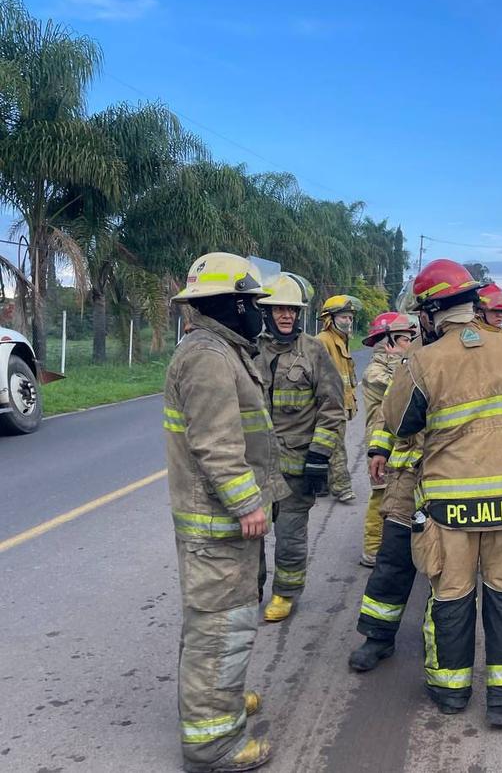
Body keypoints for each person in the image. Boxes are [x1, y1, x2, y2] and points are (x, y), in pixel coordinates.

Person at [382, 258, 502, 726]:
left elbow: (399, 423)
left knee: (451, 596)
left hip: (449, 509)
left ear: (430, 312)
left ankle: (450, 692)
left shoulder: (423, 361)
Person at [164, 252, 280, 772]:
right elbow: (215, 443)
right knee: (219, 628)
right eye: (253, 302)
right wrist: (247, 502)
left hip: (221, 523)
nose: (259, 311)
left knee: (221, 623)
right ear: (234, 304)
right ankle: (213, 743)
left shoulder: (221, 349)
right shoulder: (209, 357)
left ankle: (220, 703)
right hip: (218, 523)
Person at [255, 273, 346, 623]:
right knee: (249, 535)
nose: (286, 315)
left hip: (296, 467)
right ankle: (250, 591)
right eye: (279, 309)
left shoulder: (313, 351)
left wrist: (319, 457)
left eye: (292, 310)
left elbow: (332, 408)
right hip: (255, 467)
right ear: (266, 312)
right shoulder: (250, 350)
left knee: (290, 536)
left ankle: (285, 593)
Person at [349, 285, 425, 673]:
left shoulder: (454, 352)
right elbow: (389, 409)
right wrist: (379, 448)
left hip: (449, 470)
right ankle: (378, 636)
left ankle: (443, 645)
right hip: (406, 469)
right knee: (393, 558)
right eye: (410, 326)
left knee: (449, 568)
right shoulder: (407, 362)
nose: (415, 330)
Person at [358, 312, 417, 566]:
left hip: (398, 442)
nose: (409, 344)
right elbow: (400, 390)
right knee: (380, 496)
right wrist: (401, 363)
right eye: (404, 339)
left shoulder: (399, 366)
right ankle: (372, 549)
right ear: (387, 342)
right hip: (379, 444)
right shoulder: (374, 372)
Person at [316, 295, 361, 504]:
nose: (348, 321)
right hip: (329, 405)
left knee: (328, 445)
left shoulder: (341, 340)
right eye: (344, 317)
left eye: (350, 318)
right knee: (336, 447)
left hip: (339, 404)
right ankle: (342, 487)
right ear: (329, 319)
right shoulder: (323, 341)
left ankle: (321, 484)